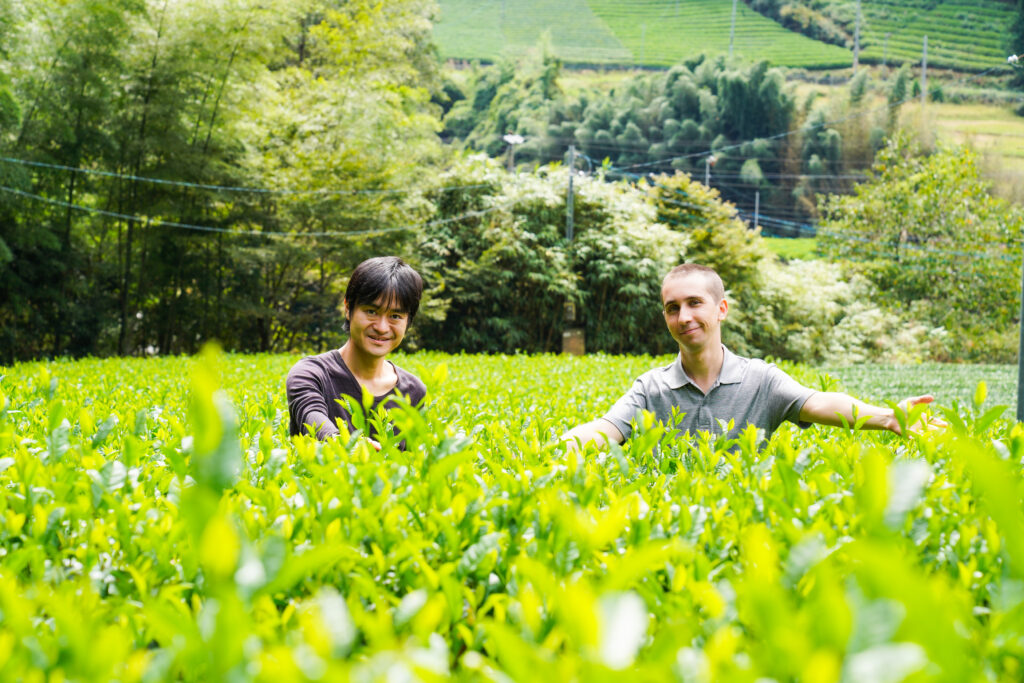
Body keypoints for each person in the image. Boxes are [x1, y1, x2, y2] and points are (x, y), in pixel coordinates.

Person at [562, 263, 940, 449]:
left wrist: (889, 417)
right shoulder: (651, 389)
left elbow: (820, 402)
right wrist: (554, 449)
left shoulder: (761, 380)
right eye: (672, 307)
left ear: (721, 309)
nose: (684, 317)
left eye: (695, 303)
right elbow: (606, 429)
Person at [287, 256, 427, 442]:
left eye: (395, 315)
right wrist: (347, 445)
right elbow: (313, 417)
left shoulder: (413, 392)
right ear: (348, 308)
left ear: (408, 321)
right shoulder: (312, 374)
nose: (382, 327)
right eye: (371, 312)